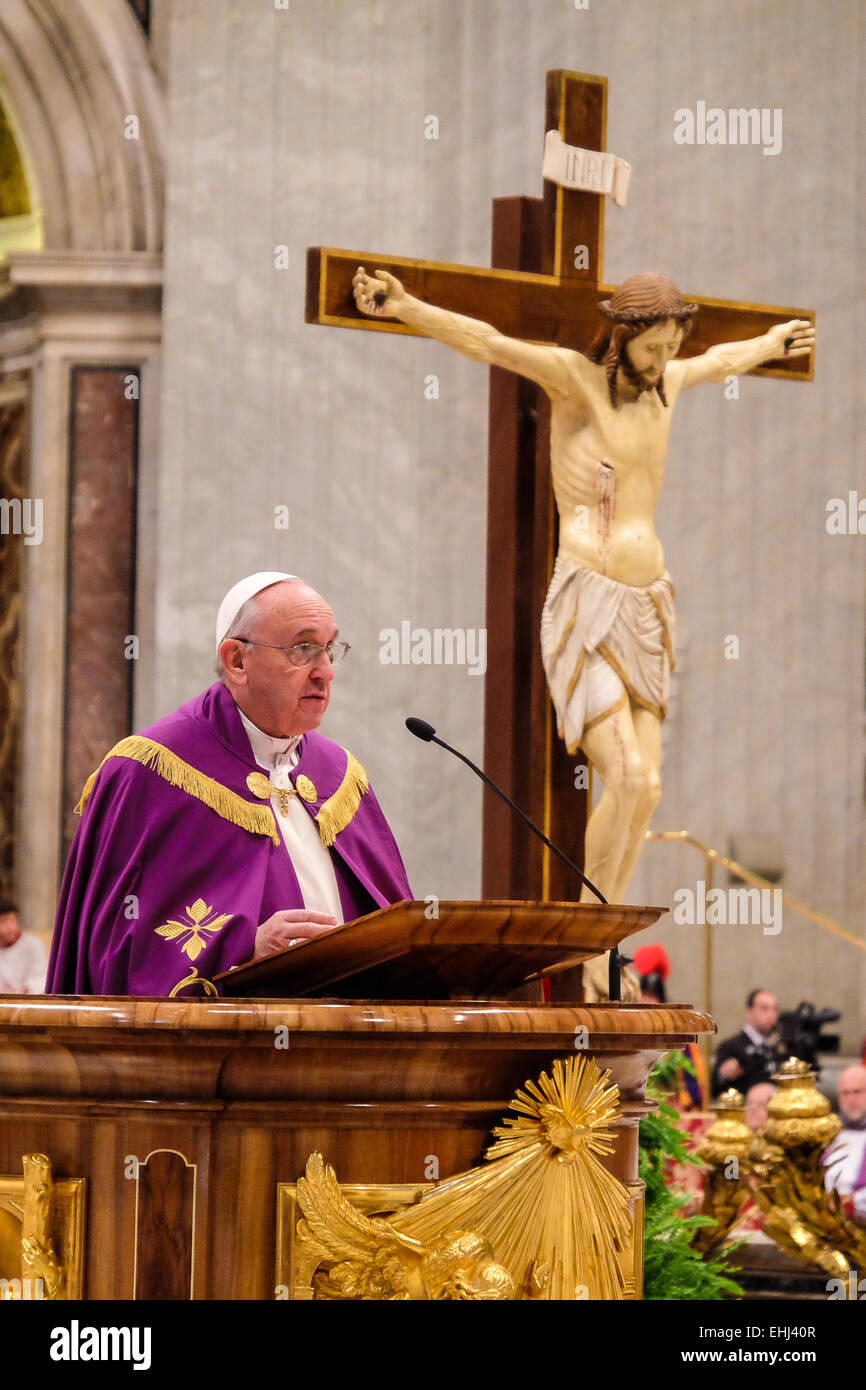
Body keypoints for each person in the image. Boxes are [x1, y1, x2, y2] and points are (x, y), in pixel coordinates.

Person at [353, 266, 814, 912]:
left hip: (650, 603)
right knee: (622, 775)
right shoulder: (574, 383)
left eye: (671, 345)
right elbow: (488, 341)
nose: (662, 360)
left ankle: (604, 938)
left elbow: (721, 360)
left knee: (648, 787)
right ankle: (586, 932)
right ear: (620, 335)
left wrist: (770, 344)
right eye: (651, 346)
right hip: (588, 600)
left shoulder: (672, 383)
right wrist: (405, 307)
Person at [46, 574, 412, 997]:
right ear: (237, 660)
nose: (325, 672)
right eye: (304, 649)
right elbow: (113, 954)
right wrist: (245, 951)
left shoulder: (341, 776)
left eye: (330, 649)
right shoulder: (150, 771)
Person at [710, 989, 784, 1098]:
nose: (771, 1015)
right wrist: (723, 1074)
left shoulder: (775, 1048)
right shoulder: (730, 1046)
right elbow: (714, 1088)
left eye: (775, 1009)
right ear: (749, 1013)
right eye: (764, 1009)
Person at [822, 1065, 866, 1222]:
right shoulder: (827, 1133)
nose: (851, 1099)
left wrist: (850, 1204)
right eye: (845, 1093)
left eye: (857, 1092)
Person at [0, 903, 47, 993]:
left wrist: (23, 990)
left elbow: (41, 977)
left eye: (13, 920)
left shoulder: (33, 944)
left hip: (27, 1002)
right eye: (4, 921)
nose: (11, 927)